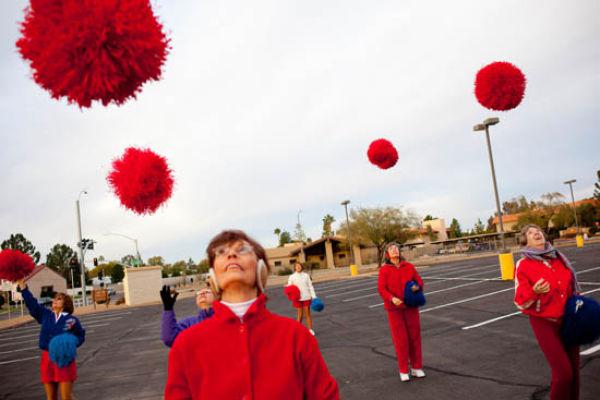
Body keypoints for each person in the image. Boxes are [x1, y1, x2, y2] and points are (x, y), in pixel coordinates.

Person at [165, 230, 339, 399]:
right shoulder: (186, 345)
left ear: (261, 268)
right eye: (221, 252)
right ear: (213, 275)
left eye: (242, 250)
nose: (231, 254)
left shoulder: (296, 336)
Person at [514, 224, 580, 400]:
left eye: (538, 231)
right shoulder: (523, 264)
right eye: (530, 232)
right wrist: (535, 291)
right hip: (544, 323)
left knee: (574, 372)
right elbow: (519, 302)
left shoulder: (559, 258)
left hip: (569, 320)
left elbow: (572, 287)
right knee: (564, 374)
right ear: (525, 240)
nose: (536, 233)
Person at [17, 279, 85, 400]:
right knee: (51, 397)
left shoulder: (71, 320)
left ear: (66, 303)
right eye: (54, 298)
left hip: (64, 359)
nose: (55, 300)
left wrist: (71, 344)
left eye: (59, 298)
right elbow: (32, 304)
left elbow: (80, 336)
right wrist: (23, 287)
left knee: (66, 397)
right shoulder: (46, 315)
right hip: (47, 358)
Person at [377, 243, 425, 382]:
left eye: (396, 248)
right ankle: (403, 369)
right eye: (391, 249)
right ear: (387, 254)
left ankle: (417, 368)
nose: (394, 250)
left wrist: (417, 286)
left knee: (414, 337)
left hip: (411, 307)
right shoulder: (384, 270)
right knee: (401, 339)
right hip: (394, 310)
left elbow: (419, 281)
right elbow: (381, 288)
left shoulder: (409, 266)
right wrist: (392, 298)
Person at [286, 262, 317, 335]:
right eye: (296, 266)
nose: (298, 267)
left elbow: (310, 286)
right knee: (299, 315)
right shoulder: (292, 276)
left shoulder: (306, 275)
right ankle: (297, 331)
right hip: (297, 299)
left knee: (307, 314)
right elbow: (290, 287)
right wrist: (288, 287)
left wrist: (314, 296)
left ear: (301, 267)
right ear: (295, 268)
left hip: (306, 297)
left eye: (299, 266)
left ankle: (310, 329)